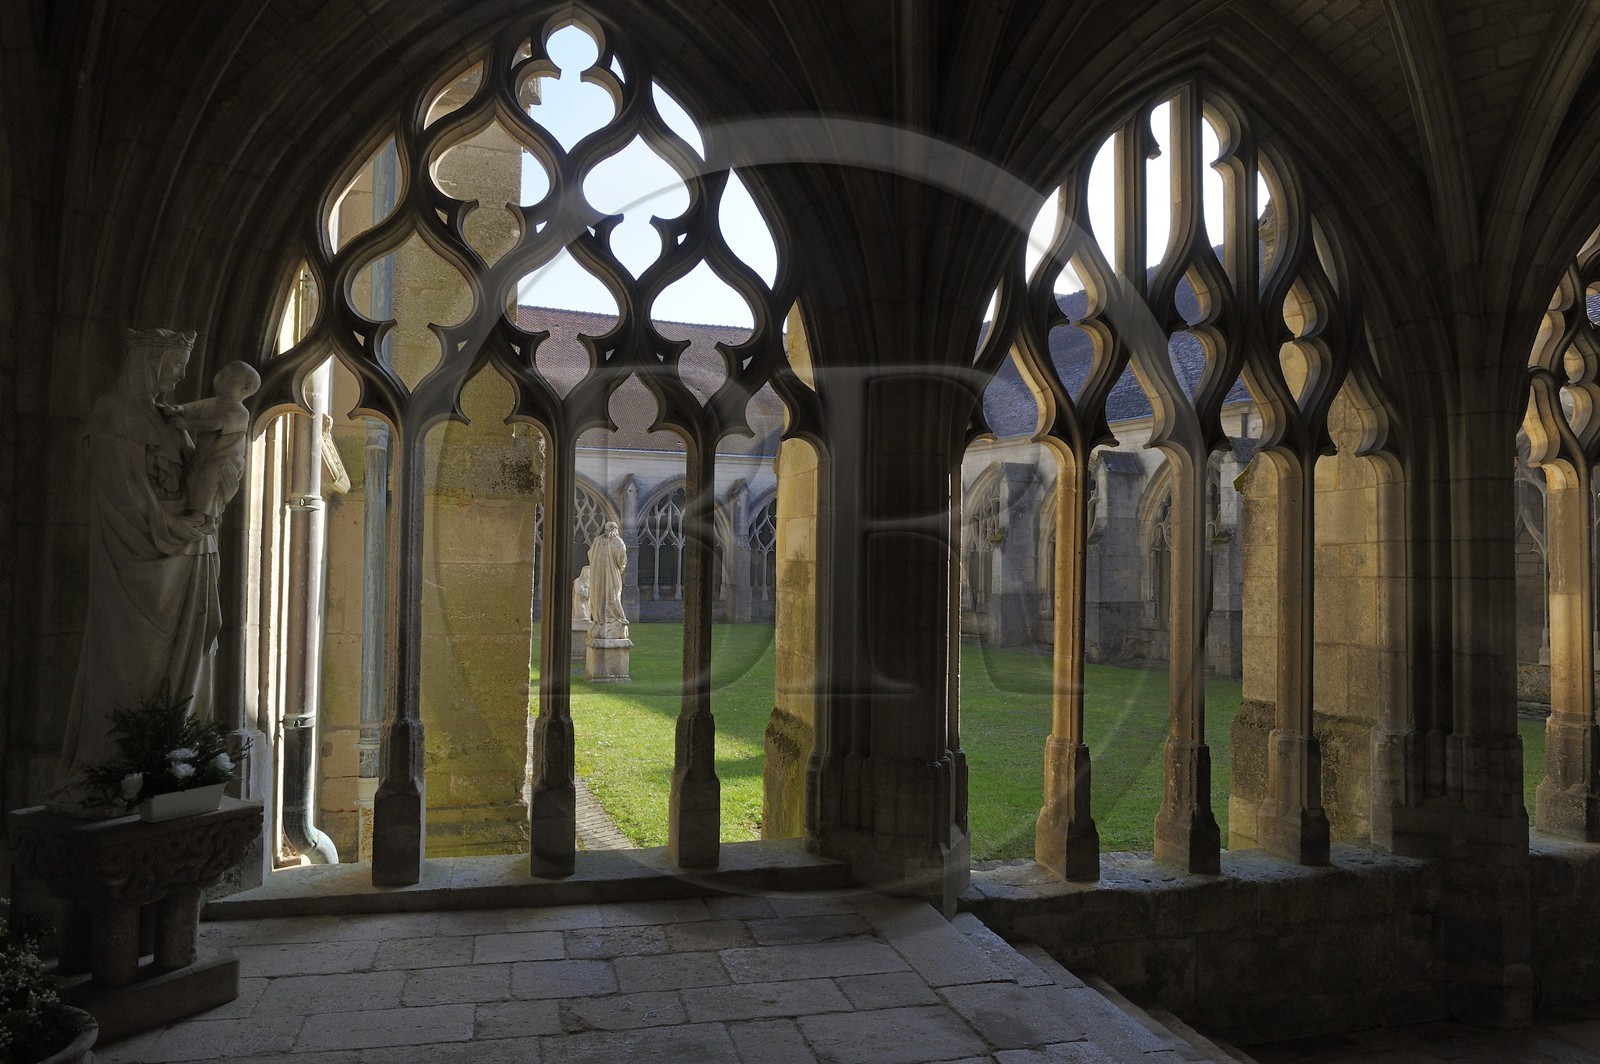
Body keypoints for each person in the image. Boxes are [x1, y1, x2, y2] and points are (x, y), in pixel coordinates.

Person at [48, 329, 221, 815]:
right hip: (138, 569)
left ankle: (176, 765)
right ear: (150, 359)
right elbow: (125, 500)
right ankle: (114, 771)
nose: (180, 375)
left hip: (185, 557)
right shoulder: (114, 415)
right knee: (128, 664)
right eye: (175, 365)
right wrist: (176, 527)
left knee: (180, 668)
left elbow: (194, 476)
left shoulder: (169, 418)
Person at [162, 360, 260, 533]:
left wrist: (187, 424)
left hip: (224, 461)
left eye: (230, 377)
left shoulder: (240, 412)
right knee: (194, 477)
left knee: (208, 479)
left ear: (244, 390)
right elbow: (192, 407)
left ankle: (203, 516)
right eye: (223, 371)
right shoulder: (214, 402)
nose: (222, 376)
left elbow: (216, 424)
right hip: (206, 454)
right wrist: (177, 409)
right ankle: (195, 510)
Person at [586, 522, 629, 640]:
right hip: (612, 576)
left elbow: (590, 554)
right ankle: (614, 618)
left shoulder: (597, 541)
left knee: (599, 595)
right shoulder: (618, 541)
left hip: (598, 576)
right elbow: (622, 558)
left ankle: (600, 620)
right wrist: (620, 567)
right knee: (613, 595)